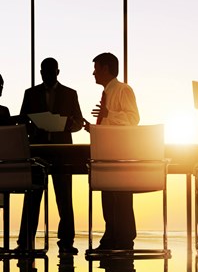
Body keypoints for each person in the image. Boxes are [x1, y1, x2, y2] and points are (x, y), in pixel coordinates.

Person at [17, 57, 84, 254]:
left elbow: (79, 122)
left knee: (64, 197)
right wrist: (34, 126)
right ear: (41, 72)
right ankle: (26, 241)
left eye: (50, 71)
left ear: (57, 72)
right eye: (43, 71)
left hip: (62, 151)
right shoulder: (30, 94)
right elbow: (22, 120)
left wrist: (69, 124)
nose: (46, 74)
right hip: (38, 150)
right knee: (33, 196)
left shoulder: (70, 94)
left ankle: (66, 242)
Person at [84, 52, 140, 250]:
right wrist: (94, 128)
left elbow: (133, 119)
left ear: (106, 68)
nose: (93, 73)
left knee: (120, 196)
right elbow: (113, 123)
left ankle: (123, 238)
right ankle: (111, 236)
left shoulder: (123, 90)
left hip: (120, 152)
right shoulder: (108, 92)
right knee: (107, 195)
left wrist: (109, 114)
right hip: (107, 150)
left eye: (96, 68)